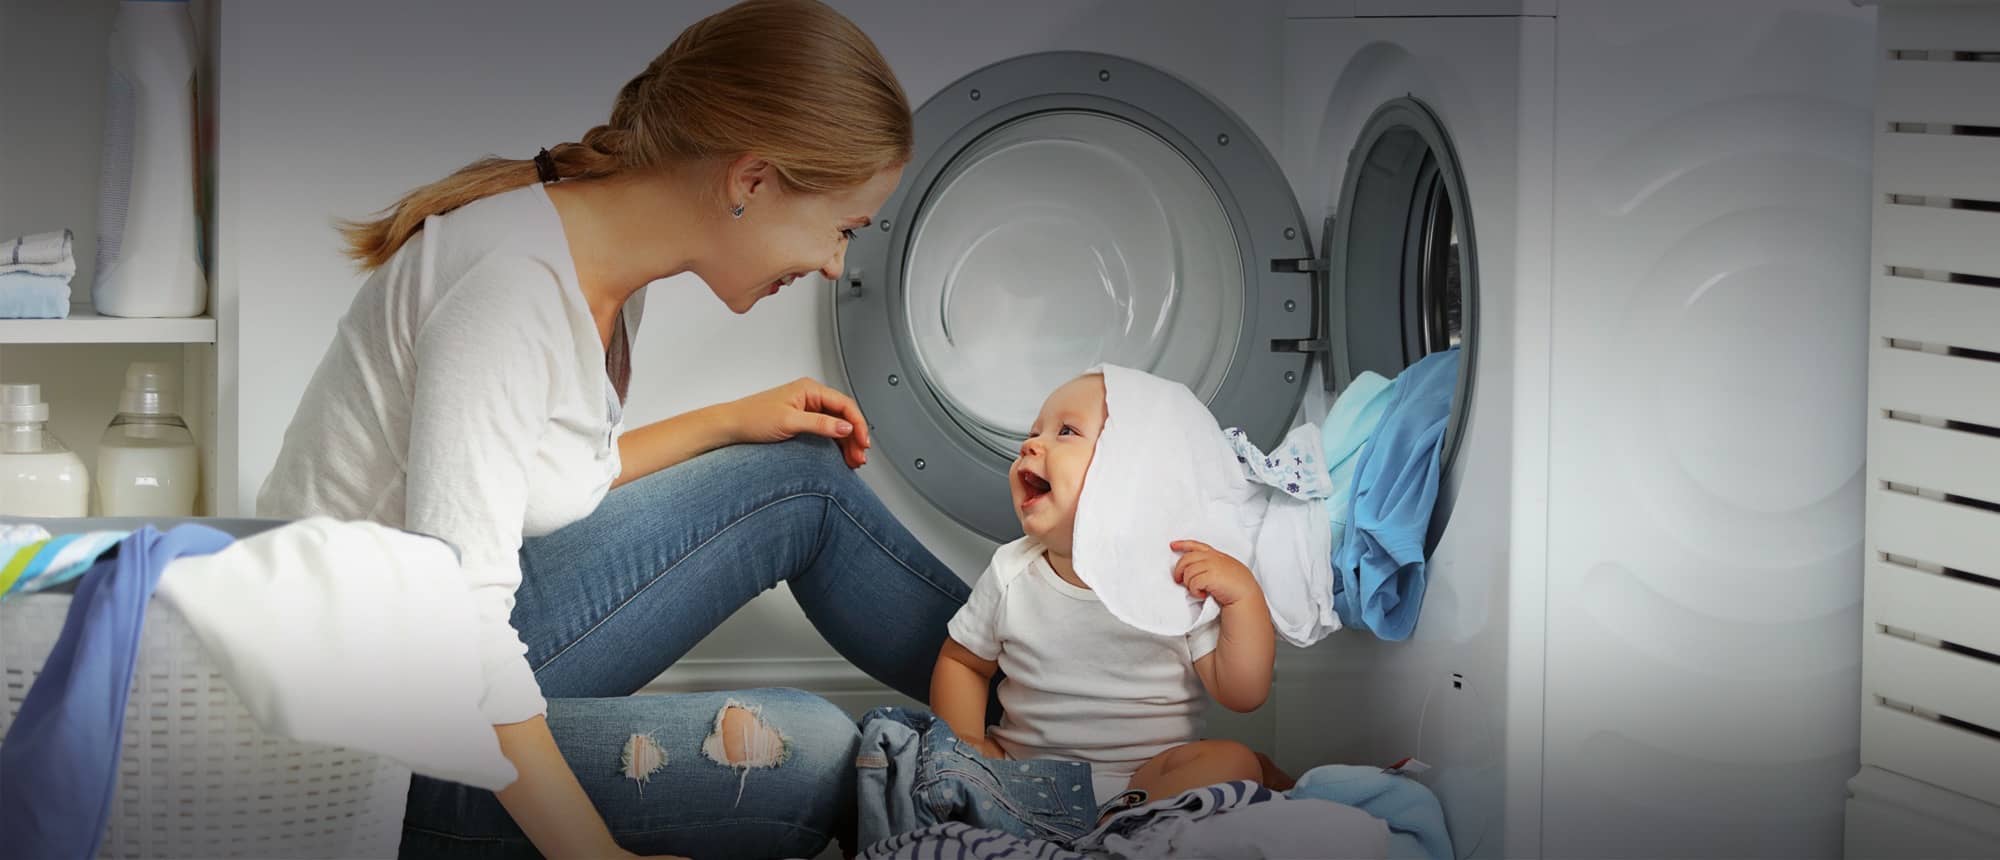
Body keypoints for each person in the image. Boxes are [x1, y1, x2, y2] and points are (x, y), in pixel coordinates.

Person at [256, 2, 972, 857]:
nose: (834, 263)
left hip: (426, 652)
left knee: (800, 472)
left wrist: (728, 422)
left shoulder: (597, 256)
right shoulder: (511, 293)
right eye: (843, 228)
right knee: (813, 752)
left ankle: (1072, 705)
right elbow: (460, 628)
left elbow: (532, 482)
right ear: (752, 179)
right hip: (368, 744)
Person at [928, 372, 1285, 810]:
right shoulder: (1012, 572)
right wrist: (966, 745)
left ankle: (1118, 821)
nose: (1030, 445)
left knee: (1234, 761)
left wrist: (1243, 597)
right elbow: (963, 662)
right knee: (919, 760)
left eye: (1066, 431)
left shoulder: (1177, 577)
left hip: (1149, 777)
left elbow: (1243, 693)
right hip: (1024, 772)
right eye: (1034, 432)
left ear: (1131, 469)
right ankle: (1094, 828)